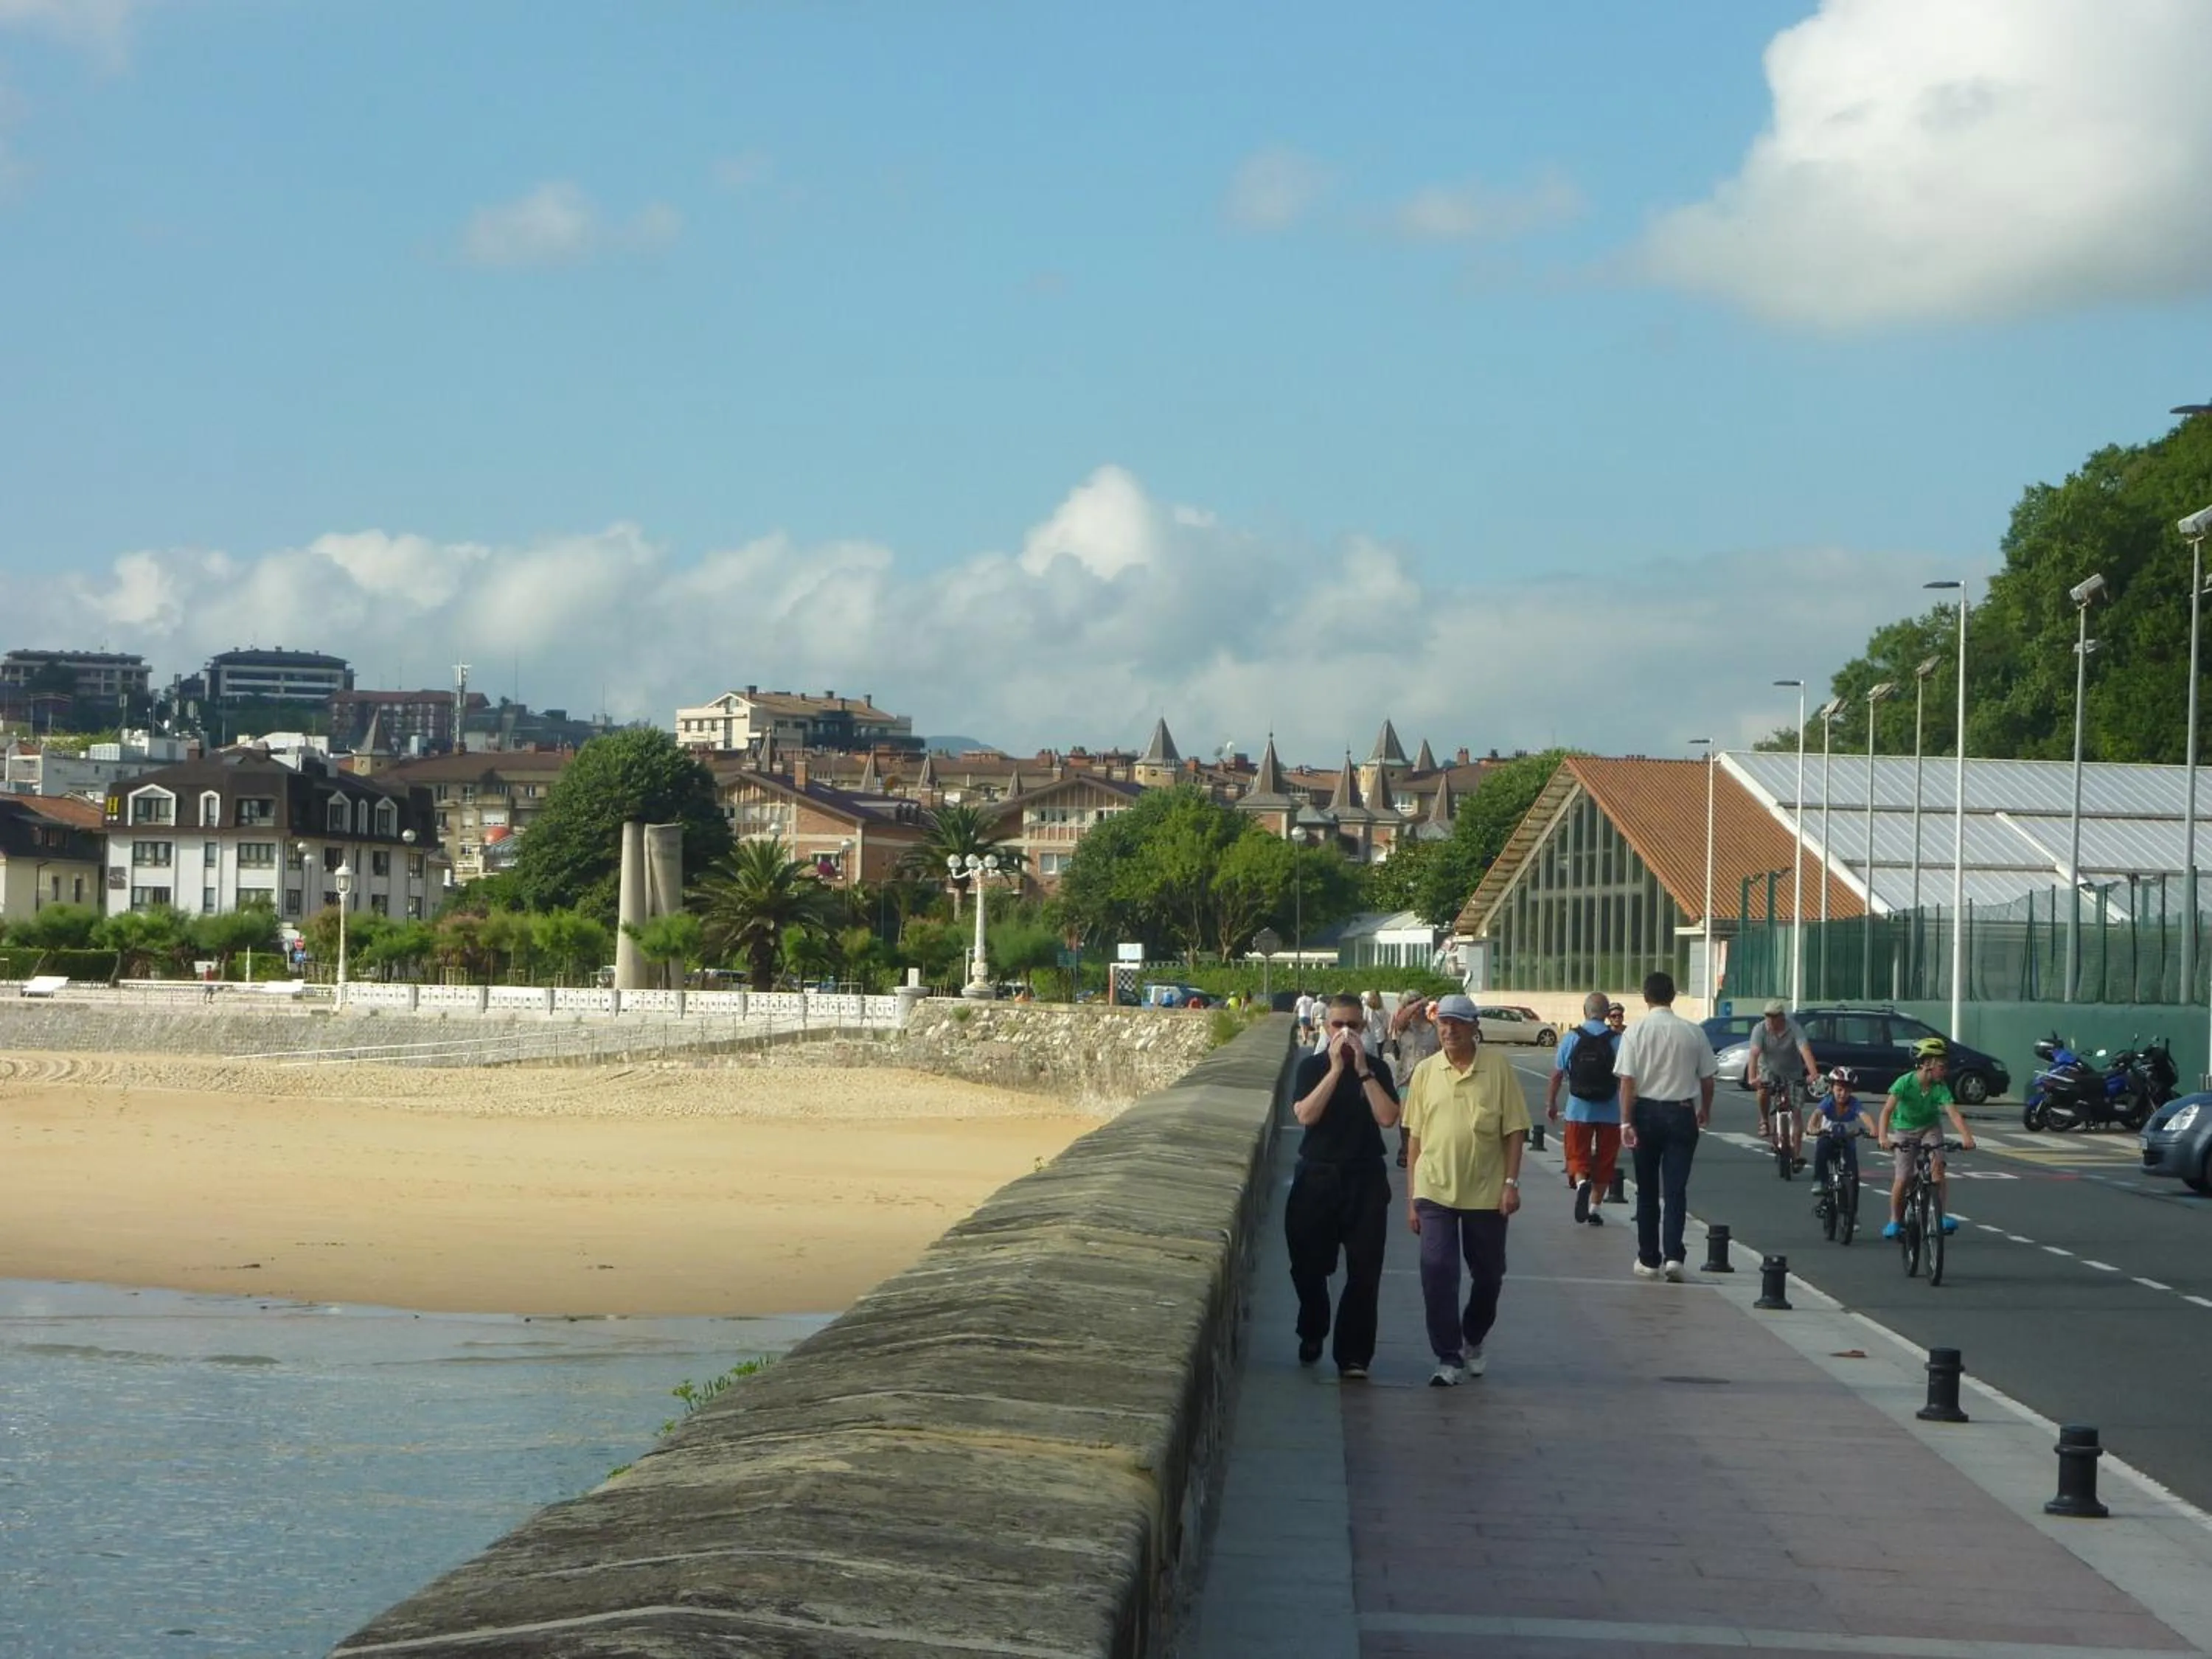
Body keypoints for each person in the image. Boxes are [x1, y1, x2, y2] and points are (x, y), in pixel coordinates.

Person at [1402, 994, 1528, 1386]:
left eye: (1458, 1023)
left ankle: (1472, 1335)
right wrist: (1412, 1200)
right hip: (1435, 1188)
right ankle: (1447, 1355)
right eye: (1443, 1023)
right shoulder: (1426, 1071)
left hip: (1487, 1192)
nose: (1449, 1030)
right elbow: (1415, 1140)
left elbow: (1515, 1131)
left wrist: (1511, 1183)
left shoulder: (1498, 1068)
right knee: (1437, 1270)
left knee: (1489, 1275)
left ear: (1475, 1027)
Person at [1284, 992, 1402, 1379]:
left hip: (1364, 1178)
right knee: (1308, 1267)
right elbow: (1306, 1114)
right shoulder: (1312, 1067)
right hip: (1317, 1176)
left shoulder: (1378, 1071)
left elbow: (1388, 1118)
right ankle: (1313, 1328)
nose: (1346, 1032)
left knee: (1364, 1270)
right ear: (1326, 1027)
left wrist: (1364, 1071)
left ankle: (1353, 1355)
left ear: (1364, 1026)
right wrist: (1335, 1071)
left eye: (1353, 1025)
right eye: (1339, 1025)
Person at [1613, 970, 1717, 1282]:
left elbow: (1627, 1082)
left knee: (1646, 1191)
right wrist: (1704, 1110)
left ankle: (1648, 1259)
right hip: (1682, 1111)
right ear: (1673, 996)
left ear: (1645, 997)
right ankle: (1674, 1257)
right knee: (1675, 1190)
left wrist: (1625, 1121)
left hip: (1644, 1111)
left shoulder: (1635, 1032)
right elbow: (1708, 1078)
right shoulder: (1692, 1032)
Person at [1879, 1038, 1977, 1239]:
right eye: (1942, 1066)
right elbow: (1887, 1110)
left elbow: (1954, 1114)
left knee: (1937, 1168)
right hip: (1904, 1130)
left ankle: (1940, 1216)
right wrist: (1883, 1137)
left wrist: (1968, 1137)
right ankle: (1894, 1220)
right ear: (1926, 1065)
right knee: (1903, 1177)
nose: (1945, 1070)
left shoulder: (1940, 1087)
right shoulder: (1905, 1083)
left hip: (1929, 1128)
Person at [1545, 991, 1621, 1225]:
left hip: (1578, 1108)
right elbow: (1627, 1078)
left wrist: (1552, 1102)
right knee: (1606, 1159)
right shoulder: (1617, 1040)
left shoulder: (1571, 1038)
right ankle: (1595, 1209)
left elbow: (1558, 1074)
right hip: (1610, 1109)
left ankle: (1581, 1183)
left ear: (1585, 1012)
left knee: (1577, 1153)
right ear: (1607, 1014)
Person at [1745, 998, 1820, 1167]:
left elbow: (1805, 1050)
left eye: (1773, 1016)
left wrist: (1813, 1074)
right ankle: (1764, 1120)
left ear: (1782, 1017)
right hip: (1769, 1071)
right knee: (1763, 1090)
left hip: (1793, 1073)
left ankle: (1796, 1156)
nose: (1770, 1020)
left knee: (1797, 1112)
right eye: (1767, 1016)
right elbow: (1754, 1054)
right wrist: (1751, 1078)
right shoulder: (1760, 1029)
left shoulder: (1793, 1028)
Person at [1386, 990, 1440, 1169]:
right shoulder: (1404, 1027)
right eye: (1411, 1003)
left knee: (1428, 1118)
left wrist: (1433, 1013)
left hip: (1431, 1078)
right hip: (1408, 1079)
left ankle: (1425, 1150)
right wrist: (1417, 1003)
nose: (1416, 1007)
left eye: (1418, 1003)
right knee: (1406, 1119)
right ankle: (1406, 1151)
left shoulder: (1434, 1027)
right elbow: (1401, 1019)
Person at [1807, 1067, 1870, 1197]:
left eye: (1847, 1090)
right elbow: (1816, 1114)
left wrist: (1874, 1130)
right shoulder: (1828, 1101)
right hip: (1828, 1137)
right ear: (1831, 1089)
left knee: (1853, 1170)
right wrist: (1812, 1128)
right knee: (1821, 1151)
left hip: (1847, 1139)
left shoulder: (1854, 1103)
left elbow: (1864, 1116)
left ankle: (1852, 1207)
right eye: (1839, 1090)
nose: (1843, 1094)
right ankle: (1820, 1181)